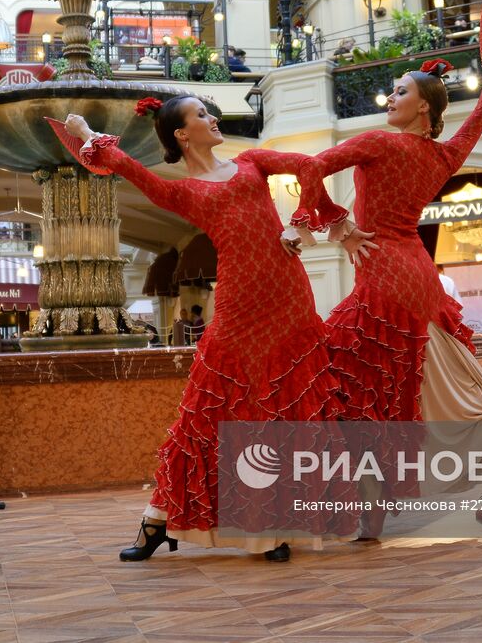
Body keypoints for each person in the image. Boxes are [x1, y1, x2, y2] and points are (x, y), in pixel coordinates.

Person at [59, 98, 360, 562]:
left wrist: (303, 222)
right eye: (202, 115)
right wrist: (82, 132)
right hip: (240, 305)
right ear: (181, 134)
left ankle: (276, 525)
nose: (213, 119)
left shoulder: (252, 161)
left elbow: (308, 166)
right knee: (208, 411)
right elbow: (126, 167)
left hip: (289, 296)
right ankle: (156, 521)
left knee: (289, 406)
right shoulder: (181, 192)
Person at [292, 0, 482, 530]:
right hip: (418, 270)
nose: (390, 97)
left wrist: (339, 225)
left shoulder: (378, 143)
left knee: (347, 379)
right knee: (441, 375)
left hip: (384, 274)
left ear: (423, 108)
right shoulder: (442, 156)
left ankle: (372, 508)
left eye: (400, 91)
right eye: (392, 90)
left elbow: (309, 168)